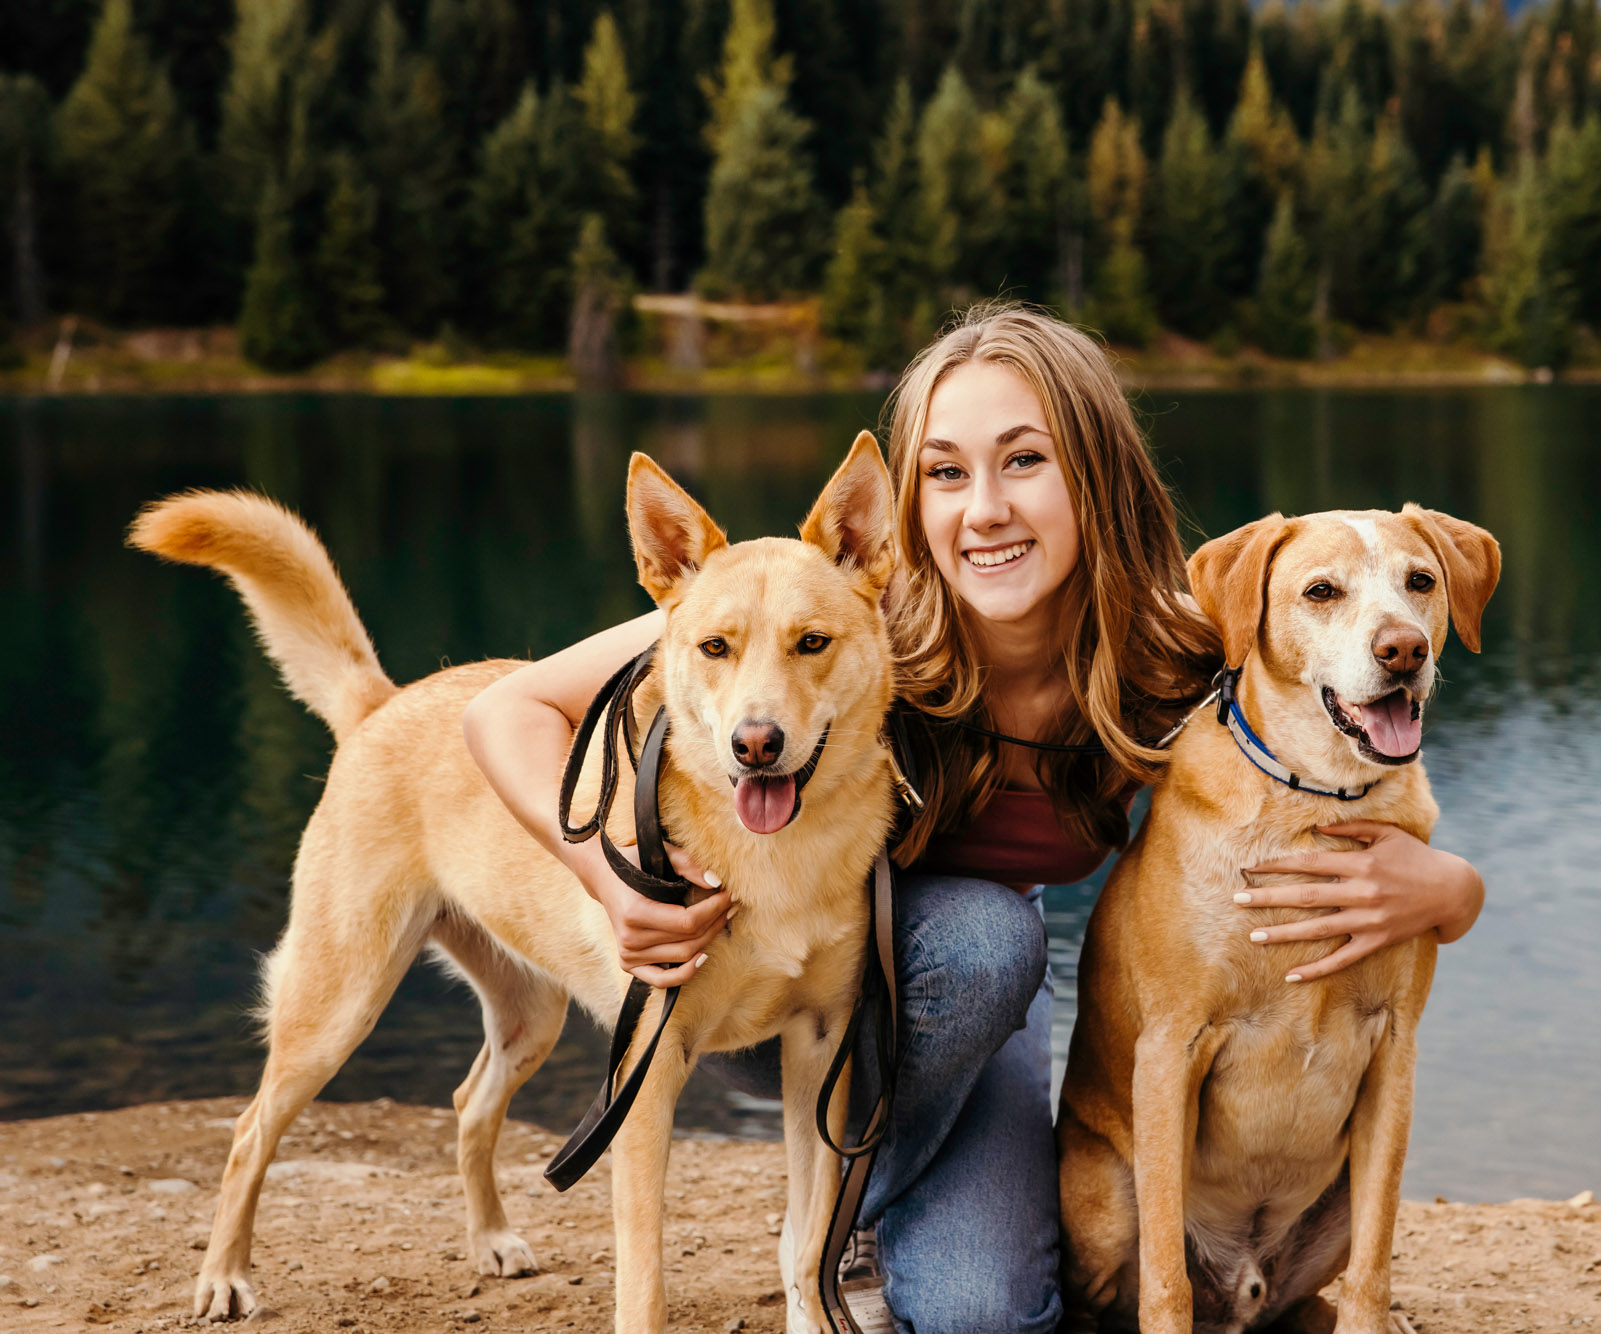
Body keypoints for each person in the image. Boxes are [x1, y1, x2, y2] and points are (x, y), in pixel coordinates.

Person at [460, 304, 1486, 1333]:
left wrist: (1451, 890)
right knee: (987, 933)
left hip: (971, 1007)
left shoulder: (1169, 648)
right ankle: (842, 1217)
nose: (984, 507)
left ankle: (882, 1182)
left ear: (1096, 473)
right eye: (946, 473)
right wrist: (607, 870)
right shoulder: (826, 612)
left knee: (986, 1311)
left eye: (1024, 460)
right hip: (790, 976)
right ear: (907, 500)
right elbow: (507, 708)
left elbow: (1325, 727)